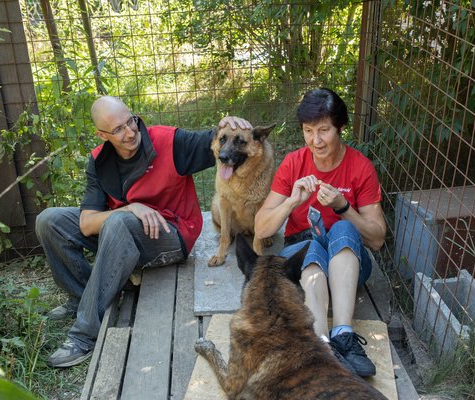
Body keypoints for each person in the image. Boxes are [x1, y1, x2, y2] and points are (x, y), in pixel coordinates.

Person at [36, 95, 251, 368]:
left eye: (131, 121)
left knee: (116, 223)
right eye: (118, 130)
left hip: (173, 234)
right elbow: (87, 223)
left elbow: (219, 140)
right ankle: (81, 296)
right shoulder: (99, 161)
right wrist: (131, 208)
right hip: (123, 230)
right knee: (49, 220)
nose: (130, 132)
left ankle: (84, 336)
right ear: (101, 135)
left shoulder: (171, 143)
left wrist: (230, 127)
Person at [254, 88, 386, 377]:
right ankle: (322, 343)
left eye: (324, 130)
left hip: (348, 256)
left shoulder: (360, 167)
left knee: (341, 228)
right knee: (313, 246)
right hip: (300, 252)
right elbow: (261, 227)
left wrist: (343, 207)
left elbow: (376, 239)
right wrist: (292, 202)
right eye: (308, 130)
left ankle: (343, 334)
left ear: (340, 128)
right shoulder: (293, 164)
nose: (316, 140)